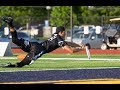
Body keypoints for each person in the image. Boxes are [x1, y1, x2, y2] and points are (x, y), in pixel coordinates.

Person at [1, 16, 84, 68]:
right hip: (39, 49)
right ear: (61, 32)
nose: (65, 33)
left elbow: (68, 43)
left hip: (34, 44)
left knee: (14, 40)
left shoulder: (56, 37)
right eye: (64, 32)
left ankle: (10, 23)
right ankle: (10, 65)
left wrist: (78, 45)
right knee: (23, 63)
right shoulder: (59, 39)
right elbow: (71, 50)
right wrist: (81, 49)